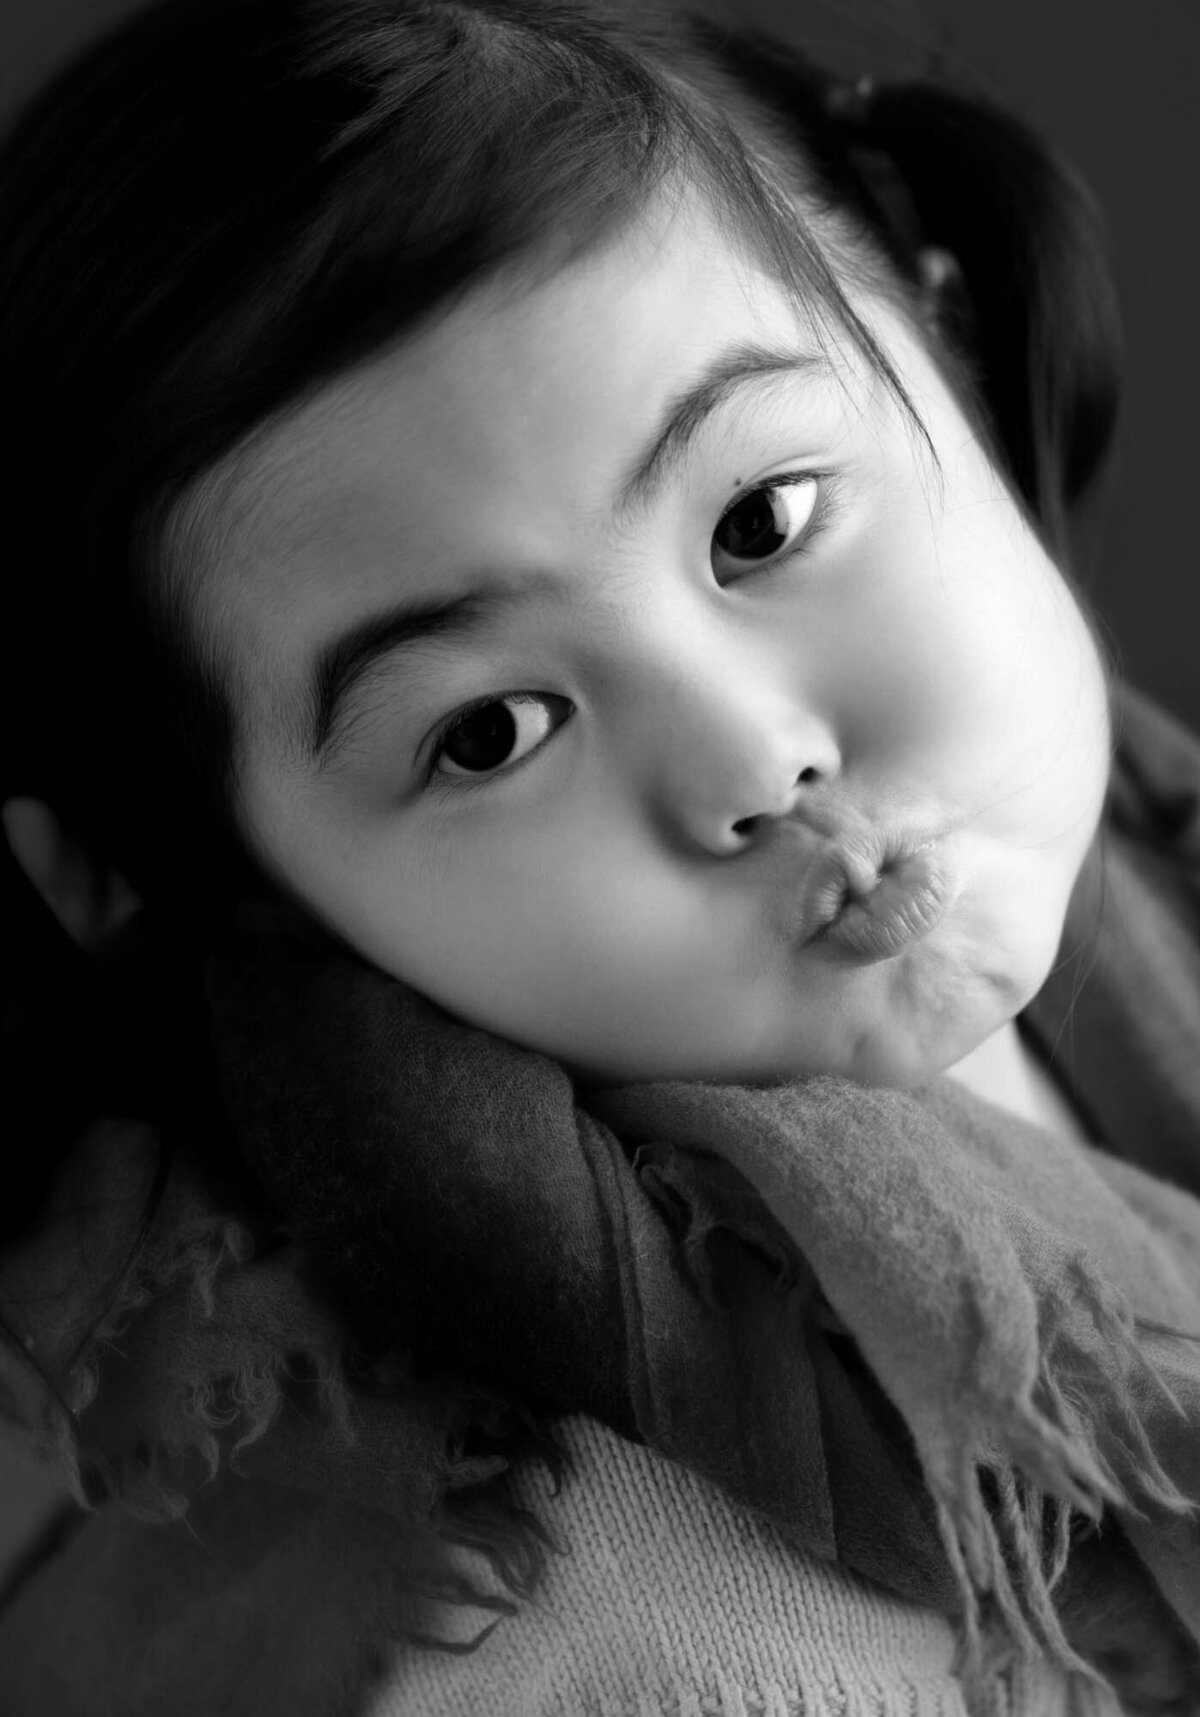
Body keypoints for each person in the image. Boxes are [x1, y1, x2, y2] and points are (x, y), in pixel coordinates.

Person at [2, 0, 1200, 1711]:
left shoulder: (1157, 889)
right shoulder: (578, 1628)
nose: (752, 761)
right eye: (486, 731)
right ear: (243, 892)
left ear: (936, 334)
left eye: (762, 519)